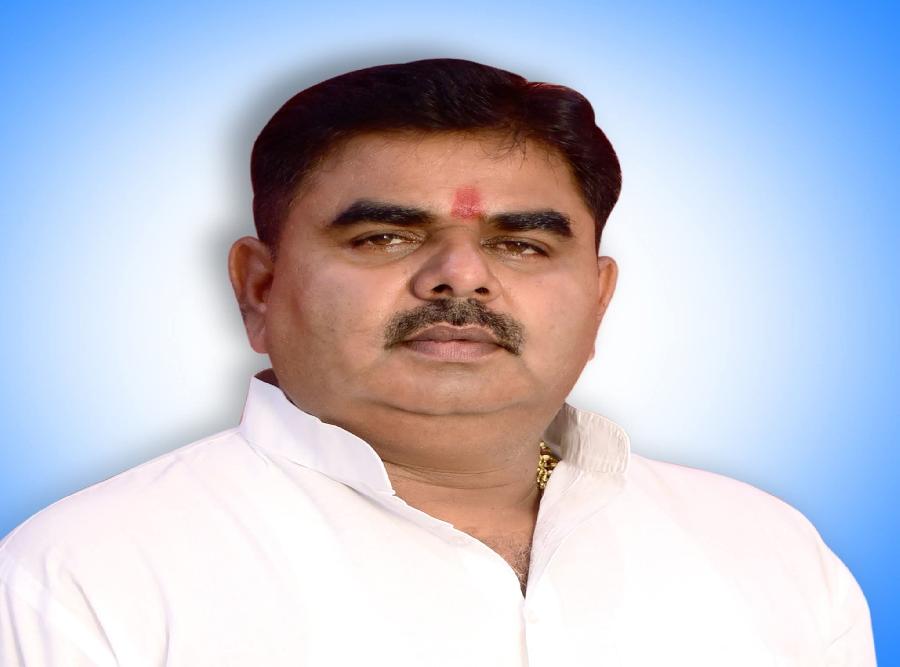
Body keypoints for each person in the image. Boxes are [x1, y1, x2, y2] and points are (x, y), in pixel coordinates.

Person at [0, 58, 875, 666]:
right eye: (384, 236)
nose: (461, 276)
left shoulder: (764, 548)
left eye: (523, 245)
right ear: (259, 288)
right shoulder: (85, 575)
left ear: (599, 298)